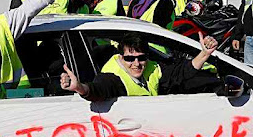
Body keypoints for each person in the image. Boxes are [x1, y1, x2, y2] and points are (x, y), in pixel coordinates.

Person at [60, 32, 219, 100]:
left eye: (141, 58)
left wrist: (204, 54)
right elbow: (98, 90)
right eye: (130, 59)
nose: (136, 64)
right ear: (121, 57)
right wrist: (80, 87)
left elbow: (181, 72)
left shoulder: (152, 67)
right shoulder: (112, 76)